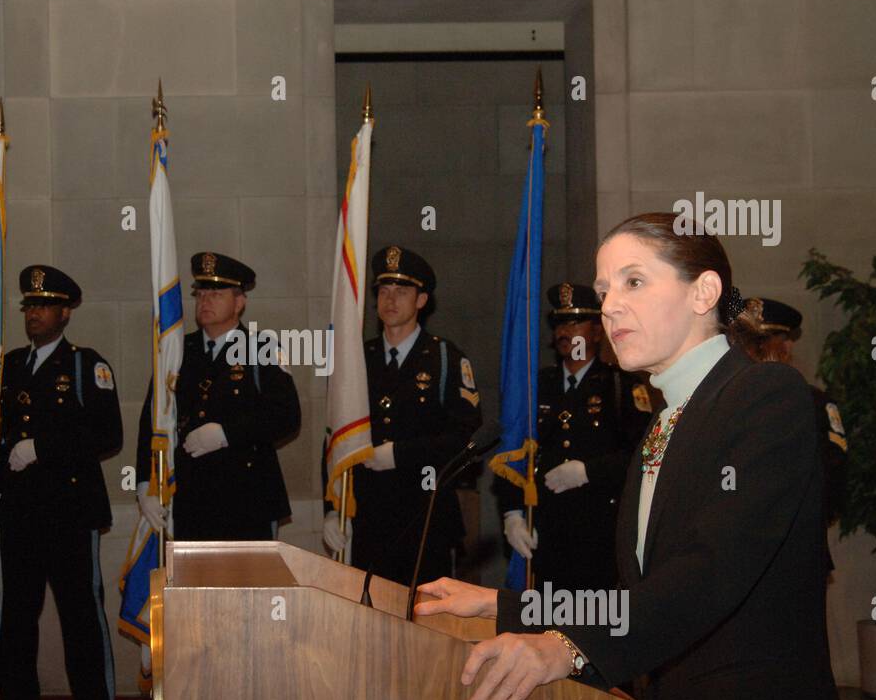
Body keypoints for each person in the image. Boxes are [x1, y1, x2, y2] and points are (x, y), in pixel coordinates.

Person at [417, 213, 856, 700]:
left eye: (633, 282)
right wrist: (502, 606)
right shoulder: (666, 419)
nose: (609, 307)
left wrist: (567, 649)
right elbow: (643, 595)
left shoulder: (764, 395)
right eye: (604, 291)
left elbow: (710, 572)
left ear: (704, 292)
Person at [0, 265, 122, 700]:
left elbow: (109, 434)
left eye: (44, 306)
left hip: (70, 511)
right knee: (18, 617)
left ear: (66, 312)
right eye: (28, 305)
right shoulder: (9, 367)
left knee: (80, 617)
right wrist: (1, 471)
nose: (34, 314)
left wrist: (42, 447)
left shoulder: (88, 365)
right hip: (21, 512)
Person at [323, 245, 481, 587]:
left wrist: (398, 454)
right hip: (368, 517)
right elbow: (335, 437)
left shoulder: (445, 360)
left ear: (421, 300)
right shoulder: (357, 359)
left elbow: (464, 439)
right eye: (383, 291)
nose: (390, 300)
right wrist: (333, 508)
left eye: (402, 291)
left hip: (425, 517)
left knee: (426, 625)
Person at [494, 283, 651, 592]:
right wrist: (512, 513)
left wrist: (588, 472)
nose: (565, 331)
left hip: (600, 534)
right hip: (545, 531)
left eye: (575, 322)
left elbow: (643, 455)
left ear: (596, 331)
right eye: (560, 323)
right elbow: (512, 450)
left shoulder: (621, 386)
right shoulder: (536, 386)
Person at [135, 251, 301, 541]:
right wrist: (143, 483)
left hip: (247, 500)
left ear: (239, 302)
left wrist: (227, 433)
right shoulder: (177, 350)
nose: (205, 300)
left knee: (248, 586)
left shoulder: (262, 348)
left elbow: (286, 416)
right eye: (200, 293)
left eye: (216, 293)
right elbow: (152, 418)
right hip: (189, 499)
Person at [740, 297, 848, 572]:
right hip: (740, 552)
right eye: (751, 344)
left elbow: (833, 468)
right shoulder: (726, 403)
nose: (754, 351)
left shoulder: (813, 402)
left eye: (771, 341)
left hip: (797, 546)